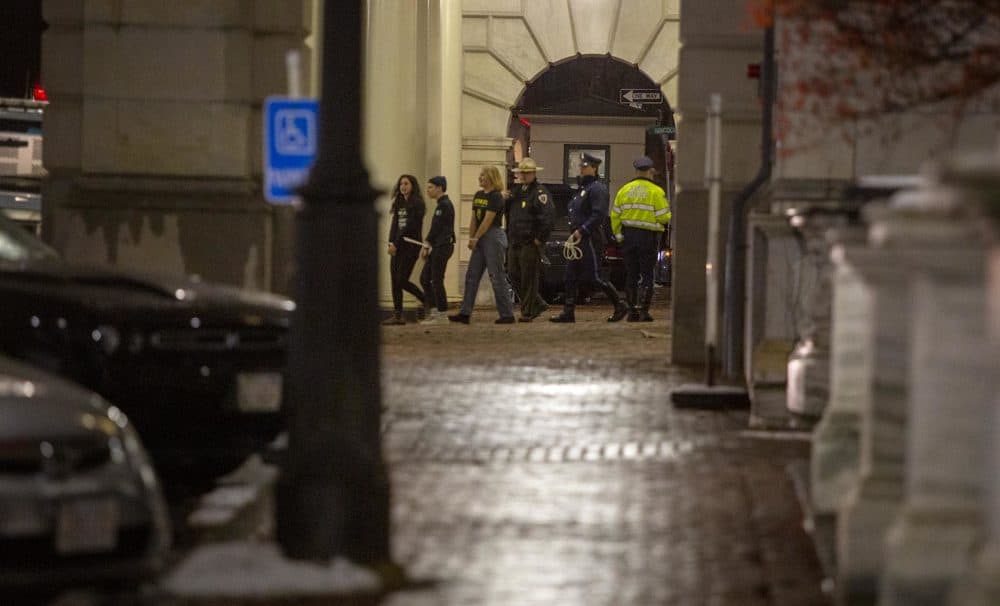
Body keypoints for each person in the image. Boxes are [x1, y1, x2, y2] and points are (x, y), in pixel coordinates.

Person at [550, 153, 627, 323]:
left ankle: (620, 305)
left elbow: (599, 214)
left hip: (589, 237)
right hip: (578, 238)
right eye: (581, 167)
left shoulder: (597, 188)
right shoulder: (583, 189)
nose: (582, 169)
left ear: (594, 168)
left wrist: (583, 230)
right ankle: (568, 312)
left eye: (585, 167)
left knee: (594, 277)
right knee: (569, 276)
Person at [449, 165, 516, 324]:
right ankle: (465, 313)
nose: (480, 178)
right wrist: (471, 237)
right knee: (471, 275)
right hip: (480, 237)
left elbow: (488, 220)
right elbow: (474, 218)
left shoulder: (496, 197)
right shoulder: (478, 195)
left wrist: (475, 238)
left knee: (496, 276)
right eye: (480, 175)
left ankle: (507, 314)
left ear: (491, 178)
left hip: (493, 235)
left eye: (483, 175)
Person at [611, 155, 671, 322]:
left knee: (631, 274)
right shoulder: (656, 192)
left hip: (628, 237)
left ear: (636, 171)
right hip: (648, 238)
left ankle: (632, 311)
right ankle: (644, 311)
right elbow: (663, 218)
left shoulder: (624, 190)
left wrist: (619, 235)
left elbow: (615, 215)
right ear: (650, 171)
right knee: (647, 275)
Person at [506, 157, 555, 322]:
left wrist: (539, 239)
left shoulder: (540, 193)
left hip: (529, 242)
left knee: (529, 278)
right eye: (522, 173)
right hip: (515, 241)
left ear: (534, 174)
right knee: (513, 274)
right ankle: (538, 303)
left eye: (527, 173)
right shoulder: (517, 192)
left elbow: (548, 217)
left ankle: (528, 311)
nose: (524, 176)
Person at [384, 174, 426, 325]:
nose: (403, 186)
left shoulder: (418, 203)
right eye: (401, 183)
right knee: (394, 281)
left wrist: (396, 242)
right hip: (397, 245)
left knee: (401, 279)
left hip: (410, 245)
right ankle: (398, 315)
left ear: (412, 186)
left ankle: (425, 299)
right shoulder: (399, 202)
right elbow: (395, 224)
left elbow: (409, 226)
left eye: (406, 183)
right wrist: (390, 243)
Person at [419, 175, 455, 325]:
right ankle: (434, 311)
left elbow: (436, 228)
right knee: (425, 278)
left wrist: (426, 244)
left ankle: (442, 314)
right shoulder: (441, 205)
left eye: (430, 187)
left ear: (439, 188)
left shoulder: (444, 205)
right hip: (439, 246)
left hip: (443, 246)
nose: (427, 190)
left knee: (436, 280)